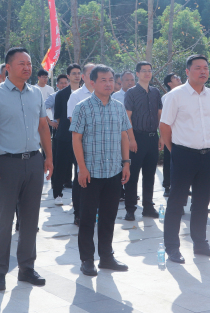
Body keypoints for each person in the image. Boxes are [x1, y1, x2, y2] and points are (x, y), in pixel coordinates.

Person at [0, 47, 53, 291]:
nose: (27, 67)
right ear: (8, 67)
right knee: (3, 220)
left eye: (29, 63)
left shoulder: (36, 94)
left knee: (30, 219)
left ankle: (26, 268)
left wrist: (48, 157)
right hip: (6, 163)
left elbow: (43, 127)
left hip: (33, 161)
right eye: (21, 63)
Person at [160, 55, 210, 264]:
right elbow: (165, 126)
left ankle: (200, 244)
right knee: (177, 202)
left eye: (206, 68)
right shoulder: (175, 95)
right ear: (187, 72)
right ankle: (172, 247)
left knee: (202, 202)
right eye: (197, 68)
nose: (203, 71)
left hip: (207, 155)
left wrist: (209, 145)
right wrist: (175, 150)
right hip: (183, 154)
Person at [71, 65, 131, 276]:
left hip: (113, 171)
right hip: (90, 173)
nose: (108, 84)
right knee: (87, 219)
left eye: (111, 79)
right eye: (103, 80)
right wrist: (82, 168)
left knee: (108, 217)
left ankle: (106, 257)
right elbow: (76, 139)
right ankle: (87, 259)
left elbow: (124, 136)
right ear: (92, 83)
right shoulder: (82, 107)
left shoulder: (118, 107)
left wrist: (126, 163)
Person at [123, 61, 162, 221]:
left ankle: (148, 207)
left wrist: (161, 136)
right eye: (144, 71)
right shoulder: (131, 93)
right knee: (132, 175)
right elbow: (127, 117)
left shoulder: (155, 92)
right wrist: (131, 139)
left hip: (152, 138)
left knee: (150, 174)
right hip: (137, 138)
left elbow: (159, 114)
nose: (147, 73)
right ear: (137, 74)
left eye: (149, 70)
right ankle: (130, 209)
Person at [51, 64, 84, 215]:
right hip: (64, 136)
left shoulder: (86, 93)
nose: (77, 76)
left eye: (79, 73)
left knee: (80, 166)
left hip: (82, 137)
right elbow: (58, 116)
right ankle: (57, 193)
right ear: (68, 76)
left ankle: (79, 195)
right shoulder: (61, 94)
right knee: (60, 166)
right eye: (74, 73)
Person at [160, 73, 182, 197]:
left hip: (183, 135)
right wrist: (163, 137)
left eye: (178, 77)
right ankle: (167, 186)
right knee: (169, 161)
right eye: (175, 78)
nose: (178, 79)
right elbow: (164, 120)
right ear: (169, 83)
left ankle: (183, 185)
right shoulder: (167, 97)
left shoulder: (185, 95)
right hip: (171, 135)